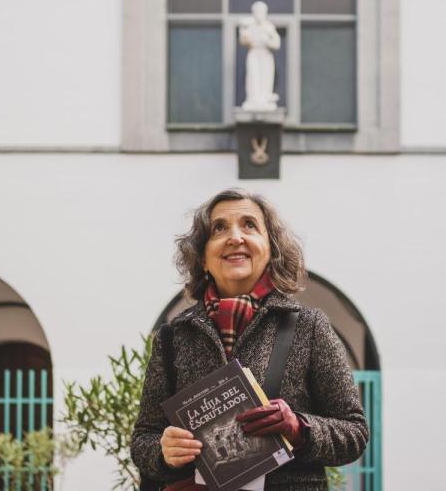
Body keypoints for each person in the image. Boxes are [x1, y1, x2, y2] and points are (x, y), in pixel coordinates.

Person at [131, 188, 369, 491]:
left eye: (249, 225)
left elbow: (355, 433)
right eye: (219, 228)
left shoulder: (310, 327)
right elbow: (143, 439)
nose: (235, 237)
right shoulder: (172, 337)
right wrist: (163, 452)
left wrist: (299, 428)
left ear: (270, 249)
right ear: (203, 257)